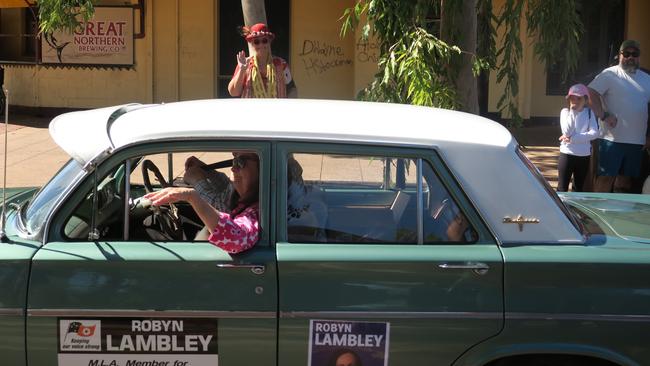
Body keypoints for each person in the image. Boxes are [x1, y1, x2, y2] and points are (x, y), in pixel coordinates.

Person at [144, 152, 260, 254]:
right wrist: (205, 170)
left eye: (241, 162)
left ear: (264, 168)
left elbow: (235, 238)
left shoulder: (257, 210)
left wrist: (193, 196)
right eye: (234, 160)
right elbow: (227, 186)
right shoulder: (245, 197)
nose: (233, 169)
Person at [588, 39, 650, 192]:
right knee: (605, 178)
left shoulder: (647, 79)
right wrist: (603, 115)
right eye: (626, 53)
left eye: (634, 54)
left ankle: (617, 213)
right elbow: (591, 92)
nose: (630, 57)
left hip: (637, 141)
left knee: (625, 180)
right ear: (620, 55)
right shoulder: (610, 74)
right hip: (611, 139)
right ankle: (599, 212)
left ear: (639, 57)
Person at [228, 23, 297, 98]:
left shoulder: (281, 64)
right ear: (252, 44)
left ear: (269, 41)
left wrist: (287, 107)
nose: (261, 45)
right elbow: (234, 92)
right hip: (251, 109)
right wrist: (242, 70)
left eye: (264, 41)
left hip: (276, 109)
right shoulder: (245, 63)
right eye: (256, 42)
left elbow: (292, 90)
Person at [556, 84, 599, 192]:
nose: (575, 100)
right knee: (562, 187)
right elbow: (566, 132)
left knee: (578, 187)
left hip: (584, 155)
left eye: (579, 98)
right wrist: (573, 113)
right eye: (572, 97)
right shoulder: (565, 112)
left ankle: (573, 209)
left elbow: (595, 133)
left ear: (585, 99)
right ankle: (560, 208)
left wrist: (573, 139)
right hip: (567, 153)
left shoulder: (589, 113)